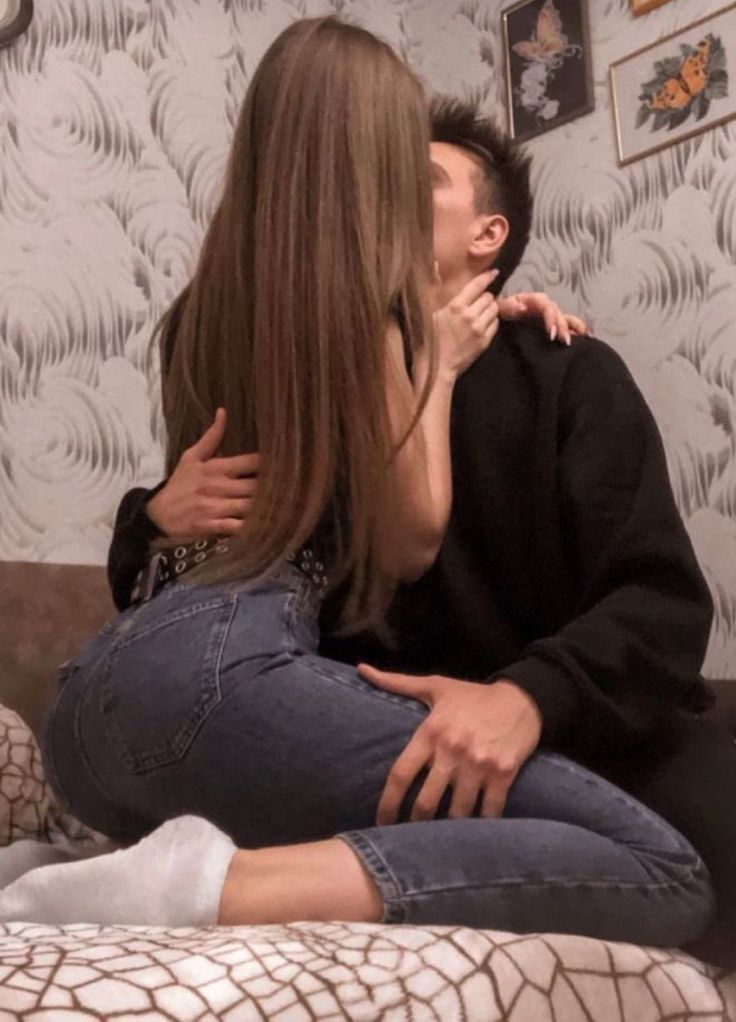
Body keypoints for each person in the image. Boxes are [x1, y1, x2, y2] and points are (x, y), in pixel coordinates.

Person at [0, 20, 715, 951]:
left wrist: (528, 696)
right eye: (378, 169)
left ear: (488, 237)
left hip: (533, 721)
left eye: (413, 182)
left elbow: (659, 602)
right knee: (654, 872)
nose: (377, 194)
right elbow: (289, 551)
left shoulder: (563, 369)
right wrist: (147, 519)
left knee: (700, 853)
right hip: (314, 705)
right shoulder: (336, 353)